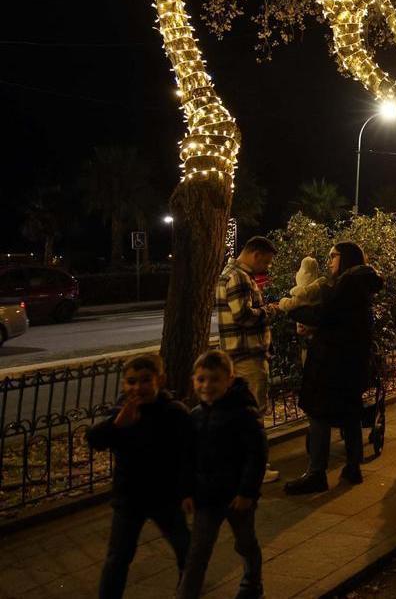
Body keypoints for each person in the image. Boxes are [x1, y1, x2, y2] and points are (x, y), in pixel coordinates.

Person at [87, 354, 192, 599]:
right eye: (131, 382)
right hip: (130, 497)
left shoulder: (173, 412)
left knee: (185, 549)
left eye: (145, 381)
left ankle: (186, 590)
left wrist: (187, 491)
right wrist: (116, 425)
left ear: (160, 380)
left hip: (165, 496)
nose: (137, 388)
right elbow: (95, 440)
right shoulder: (122, 412)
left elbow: (188, 454)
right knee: (118, 557)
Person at [284, 242, 382, 495]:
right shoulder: (361, 283)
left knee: (318, 413)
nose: (329, 261)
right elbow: (342, 321)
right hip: (351, 361)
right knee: (349, 413)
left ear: (346, 258)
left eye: (333, 256)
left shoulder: (347, 284)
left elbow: (324, 314)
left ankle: (316, 473)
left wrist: (291, 309)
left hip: (332, 361)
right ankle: (353, 467)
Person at [178, 350, 267, 599]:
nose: (207, 386)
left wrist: (247, 492)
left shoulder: (243, 413)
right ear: (194, 380)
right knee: (198, 551)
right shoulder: (195, 416)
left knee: (245, 541)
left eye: (214, 380)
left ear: (229, 379)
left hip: (236, 496)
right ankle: (187, 593)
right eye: (201, 379)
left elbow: (256, 455)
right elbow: (188, 457)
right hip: (206, 496)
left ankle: (252, 582)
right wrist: (186, 491)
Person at [215, 236, 281, 484]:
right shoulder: (239, 277)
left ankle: (242, 464)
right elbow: (243, 315)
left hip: (237, 355)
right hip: (247, 357)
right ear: (255, 253)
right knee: (254, 415)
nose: (267, 267)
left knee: (241, 415)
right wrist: (271, 310)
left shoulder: (231, 274)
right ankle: (256, 469)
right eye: (266, 261)